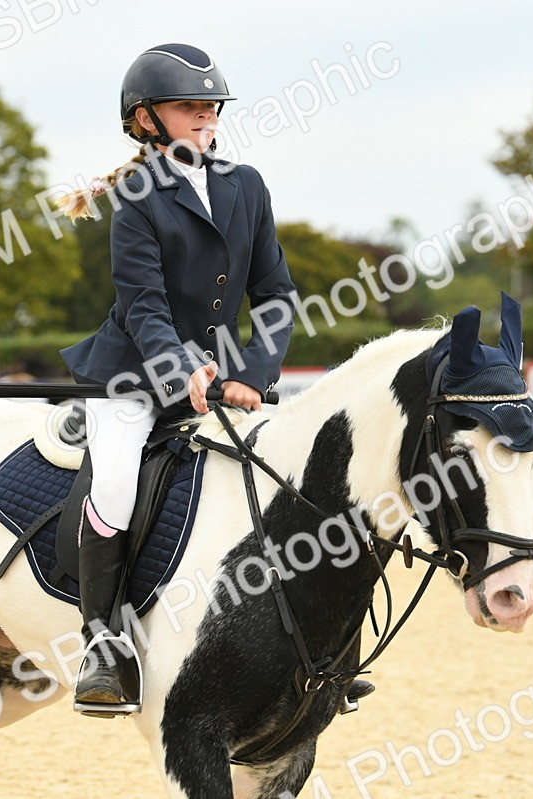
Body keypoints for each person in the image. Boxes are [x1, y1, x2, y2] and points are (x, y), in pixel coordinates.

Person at [59, 42, 350, 716]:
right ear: (146, 118)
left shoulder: (245, 186)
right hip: (132, 377)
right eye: (189, 105)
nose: (206, 115)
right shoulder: (136, 199)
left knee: (286, 478)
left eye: (210, 105)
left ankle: (312, 647)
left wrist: (251, 371)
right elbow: (143, 305)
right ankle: (103, 644)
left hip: (227, 381)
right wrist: (183, 368)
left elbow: (275, 292)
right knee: (115, 478)